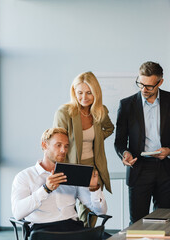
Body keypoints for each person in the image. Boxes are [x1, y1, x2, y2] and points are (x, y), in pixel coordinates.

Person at [114, 61, 170, 224]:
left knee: (164, 221)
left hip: (166, 169)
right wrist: (124, 154)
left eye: (149, 86)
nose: (143, 89)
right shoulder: (126, 105)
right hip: (139, 168)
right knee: (137, 223)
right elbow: (119, 141)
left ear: (160, 82)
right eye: (140, 84)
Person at [11, 127, 107, 233]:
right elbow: (17, 213)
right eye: (58, 145)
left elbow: (100, 211)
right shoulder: (24, 176)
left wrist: (94, 189)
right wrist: (45, 189)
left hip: (73, 229)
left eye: (66, 146)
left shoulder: (73, 173)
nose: (63, 150)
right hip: (43, 231)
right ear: (44, 145)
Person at [53, 71, 114, 226]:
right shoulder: (65, 112)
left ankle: (87, 236)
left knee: (92, 211)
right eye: (80, 92)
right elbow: (58, 141)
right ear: (74, 92)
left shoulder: (100, 111)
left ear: (96, 93)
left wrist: (98, 138)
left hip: (93, 167)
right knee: (70, 212)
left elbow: (109, 128)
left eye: (89, 93)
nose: (84, 97)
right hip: (71, 167)